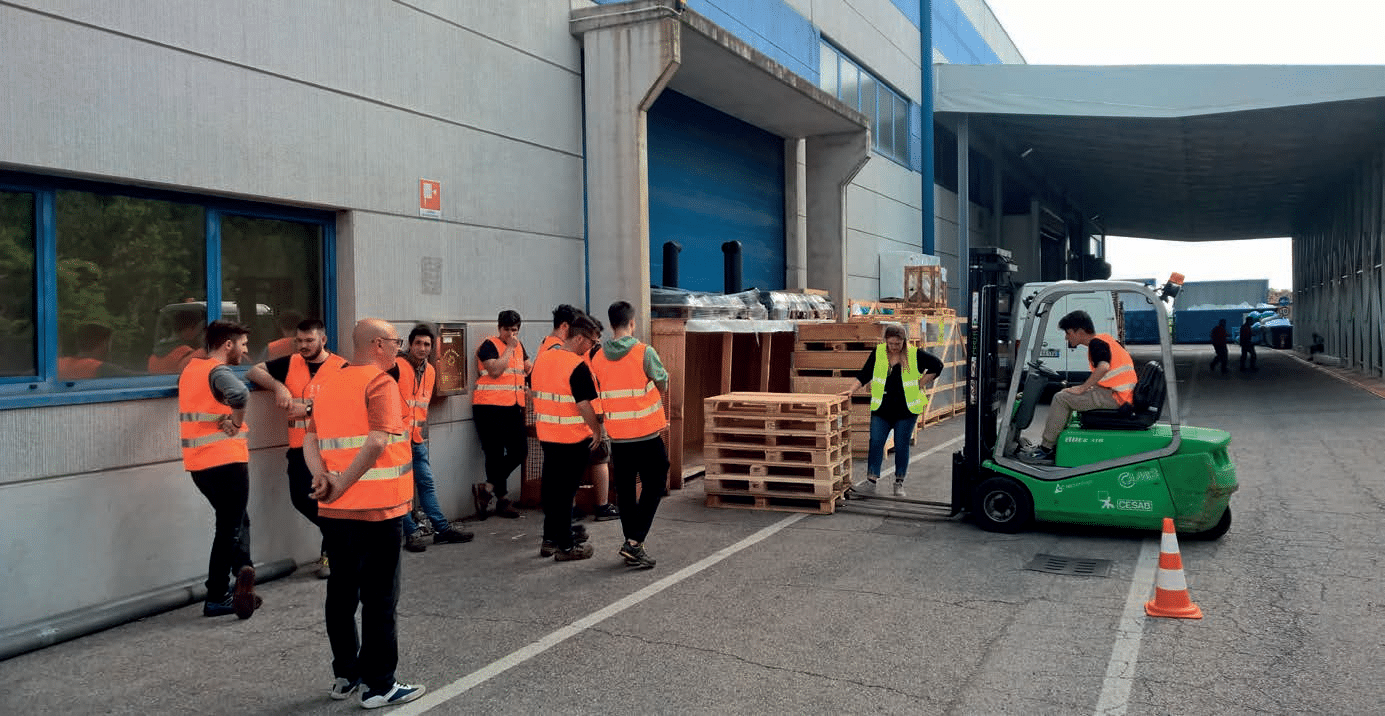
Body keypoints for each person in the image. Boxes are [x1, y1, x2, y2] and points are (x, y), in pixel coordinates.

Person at [305, 318, 426, 708]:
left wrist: (322, 477)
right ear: (377, 344)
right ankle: (380, 685)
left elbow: (310, 439)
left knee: (341, 594)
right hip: (378, 510)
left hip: (334, 511)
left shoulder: (326, 382)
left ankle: (346, 675)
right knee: (380, 598)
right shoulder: (380, 383)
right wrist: (342, 483)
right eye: (395, 342)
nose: (398, 348)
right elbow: (377, 441)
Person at [245, 318, 347, 578]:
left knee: (330, 501)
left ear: (323, 340)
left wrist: (310, 409)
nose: (303, 345)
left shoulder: (341, 367)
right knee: (302, 499)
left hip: (330, 449)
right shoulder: (290, 363)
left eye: (309, 340)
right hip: (299, 448)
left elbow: (349, 406)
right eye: (299, 341)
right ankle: (340, 538)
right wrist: (278, 386)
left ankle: (331, 553)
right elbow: (253, 371)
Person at [177, 319, 260, 619]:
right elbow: (240, 394)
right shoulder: (218, 371)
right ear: (228, 344)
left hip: (199, 465)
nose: (245, 350)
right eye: (243, 344)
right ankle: (217, 594)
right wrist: (236, 422)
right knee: (229, 529)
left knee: (236, 521)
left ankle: (243, 572)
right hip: (227, 462)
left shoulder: (191, 370)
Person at [590, 301, 670, 569]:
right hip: (646, 434)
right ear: (632, 323)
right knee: (655, 484)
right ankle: (635, 542)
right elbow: (663, 382)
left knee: (625, 491)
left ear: (611, 324)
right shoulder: (643, 352)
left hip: (618, 437)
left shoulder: (597, 357)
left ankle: (631, 542)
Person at [392, 324, 474, 552]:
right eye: (418, 343)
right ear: (410, 344)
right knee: (402, 489)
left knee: (426, 483)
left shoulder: (430, 371)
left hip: (416, 439)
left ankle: (441, 529)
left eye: (427, 344)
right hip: (396, 441)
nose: (422, 348)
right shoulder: (396, 366)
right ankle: (411, 533)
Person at [1019, 310, 1136, 465]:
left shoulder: (1096, 343)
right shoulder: (1105, 340)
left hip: (1116, 397)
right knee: (1066, 394)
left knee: (1061, 398)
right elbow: (1108, 375)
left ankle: (1046, 449)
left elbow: (1103, 367)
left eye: (1068, 333)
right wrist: (1081, 388)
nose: (1066, 337)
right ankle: (1056, 443)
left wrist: (1082, 389)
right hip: (1118, 394)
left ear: (1080, 332)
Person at [530, 314, 603, 562]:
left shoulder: (543, 359)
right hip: (573, 438)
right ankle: (566, 546)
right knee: (565, 494)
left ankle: (549, 539)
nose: (592, 347)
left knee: (552, 490)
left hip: (547, 435)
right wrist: (597, 430)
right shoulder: (577, 366)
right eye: (592, 342)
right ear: (580, 338)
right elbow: (584, 405)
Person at [844, 323, 942, 496]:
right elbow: (865, 374)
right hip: (882, 407)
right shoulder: (879, 353)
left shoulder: (914, 354)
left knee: (901, 444)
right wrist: (851, 390)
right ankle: (871, 482)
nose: (894, 347)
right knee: (876, 442)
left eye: (898, 343)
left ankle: (899, 482)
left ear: (904, 341)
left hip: (906, 409)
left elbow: (937, 365)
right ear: (886, 341)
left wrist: (920, 383)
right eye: (891, 343)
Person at [471, 310, 529, 520]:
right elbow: (495, 371)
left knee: (519, 451)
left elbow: (527, 368)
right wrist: (509, 349)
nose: (510, 334)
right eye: (506, 329)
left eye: (514, 329)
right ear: (499, 328)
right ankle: (502, 500)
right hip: (488, 408)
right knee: (494, 453)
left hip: (512, 406)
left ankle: (487, 488)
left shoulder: (519, 347)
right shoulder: (489, 345)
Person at [583, 317, 619, 522]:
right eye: (595, 338)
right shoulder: (596, 352)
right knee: (600, 457)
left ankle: (571, 508)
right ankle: (602, 506)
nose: (597, 342)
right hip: (595, 411)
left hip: (572, 416)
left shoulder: (553, 349)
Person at [150, 309, 206, 374]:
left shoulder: (153, 358)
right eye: (200, 330)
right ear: (189, 329)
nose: (202, 334)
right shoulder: (194, 355)